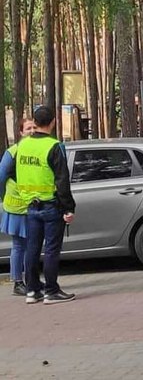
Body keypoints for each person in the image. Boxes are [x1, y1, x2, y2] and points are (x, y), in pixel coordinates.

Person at [14, 106, 76, 304]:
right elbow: (62, 180)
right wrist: (68, 207)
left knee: (32, 248)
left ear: (35, 121)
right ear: (53, 122)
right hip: (51, 205)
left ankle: (32, 290)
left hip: (30, 205)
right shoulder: (54, 146)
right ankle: (51, 290)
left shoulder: (22, 146)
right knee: (51, 249)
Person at [0, 118, 38, 296]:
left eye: (34, 127)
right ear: (21, 132)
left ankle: (32, 279)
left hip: (33, 204)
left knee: (33, 245)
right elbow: (1, 177)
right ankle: (17, 282)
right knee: (18, 245)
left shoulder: (37, 149)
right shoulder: (12, 152)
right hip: (16, 207)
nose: (32, 131)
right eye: (28, 128)